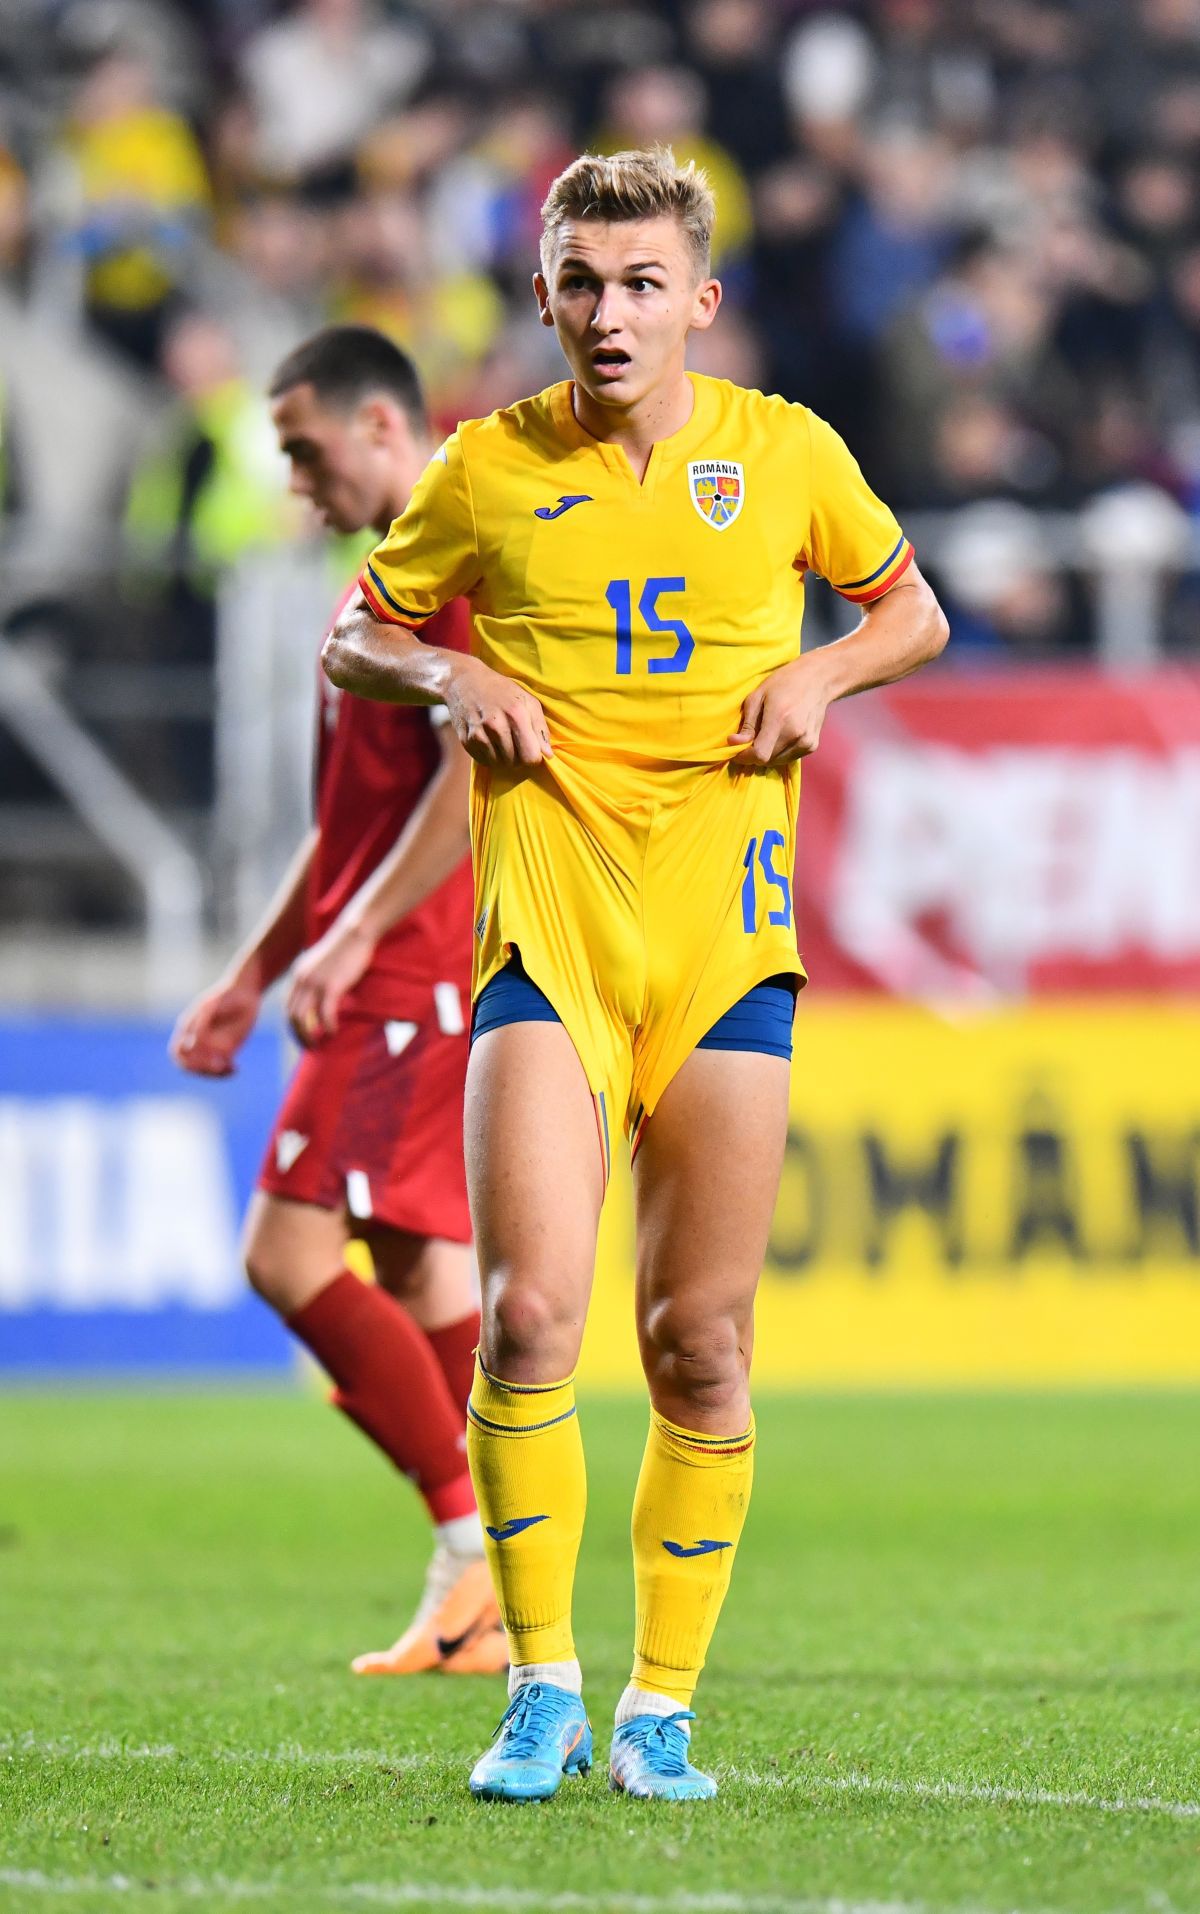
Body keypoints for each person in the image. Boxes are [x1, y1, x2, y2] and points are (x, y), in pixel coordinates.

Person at [323, 150, 948, 1801]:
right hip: (553, 934)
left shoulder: (788, 451)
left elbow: (913, 614)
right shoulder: (484, 467)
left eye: (642, 283)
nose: (611, 314)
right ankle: (543, 1687)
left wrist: (825, 668)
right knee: (529, 1314)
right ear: (542, 294)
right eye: (582, 283)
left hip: (729, 943)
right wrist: (446, 676)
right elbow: (354, 633)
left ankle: (663, 1704)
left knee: (700, 1340)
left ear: (700, 303)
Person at [171, 325, 505, 1679]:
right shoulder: (381, 578)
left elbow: (467, 783)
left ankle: (478, 1555)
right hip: (383, 962)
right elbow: (349, 822)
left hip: (410, 974)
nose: (296, 484)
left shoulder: (454, 563)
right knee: (419, 1272)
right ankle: (499, 1586)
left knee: (284, 1256)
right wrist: (254, 969)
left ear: (383, 426)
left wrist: (357, 937)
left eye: (306, 453)